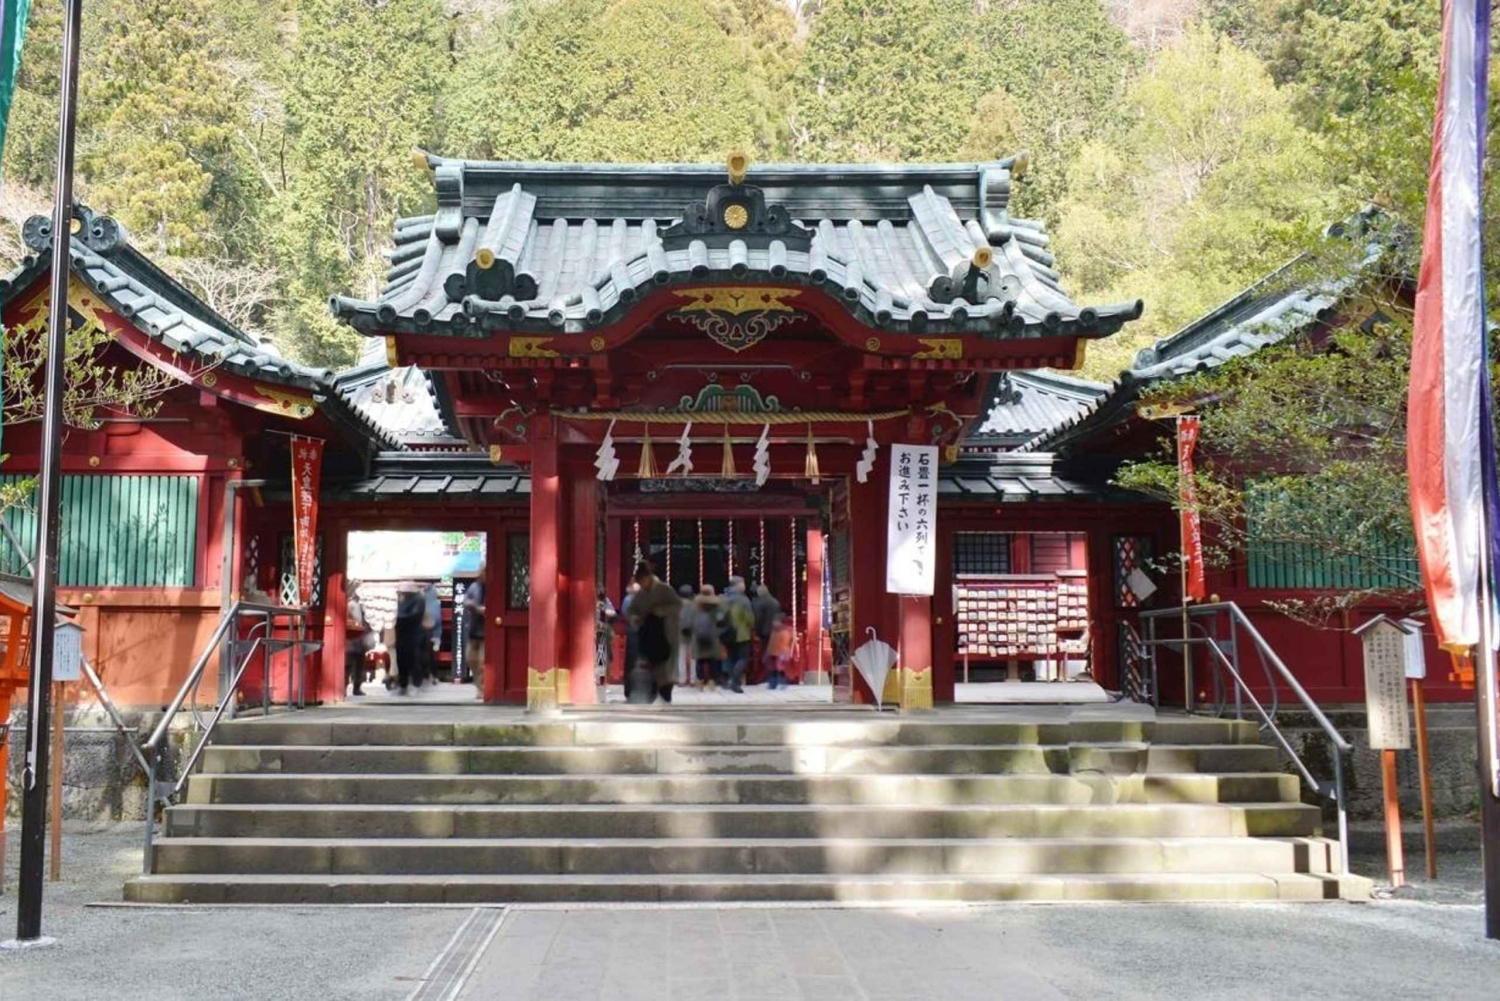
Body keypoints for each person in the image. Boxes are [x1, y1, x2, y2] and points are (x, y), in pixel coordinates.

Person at [625, 561, 683, 703]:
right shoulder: (641, 594)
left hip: (666, 633)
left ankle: (665, 697)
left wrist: (660, 611)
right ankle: (650, 695)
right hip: (647, 634)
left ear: (648, 578)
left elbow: (677, 605)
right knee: (650, 666)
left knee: (666, 668)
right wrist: (635, 618)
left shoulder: (664, 589)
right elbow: (631, 610)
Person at [720, 576, 755, 694]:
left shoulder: (723, 598)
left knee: (730, 657)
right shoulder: (743, 600)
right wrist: (750, 626)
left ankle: (728, 679)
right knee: (743, 658)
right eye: (743, 583)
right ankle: (735, 681)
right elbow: (749, 618)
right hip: (741, 633)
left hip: (726, 632)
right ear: (738, 585)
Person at [393, 581, 428, 695]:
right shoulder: (404, 600)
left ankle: (415, 684)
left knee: (413, 659)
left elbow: (415, 615)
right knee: (401, 660)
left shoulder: (419, 599)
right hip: (403, 634)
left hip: (414, 634)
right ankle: (403, 684)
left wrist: (399, 618)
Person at [689, 584, 723, 690]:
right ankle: (712, 682)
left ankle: (699, 682)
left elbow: (691, 619)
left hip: (698, 635)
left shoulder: (695, 604)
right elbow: (721, 619)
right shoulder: (718, 604)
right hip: (712, 635)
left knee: (700, 660)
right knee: (712, 660)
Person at [344, 580, 374, 696]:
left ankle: (356, 686)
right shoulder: (351, 605)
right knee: (349, 665)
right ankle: (348, 686)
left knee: (358, 664)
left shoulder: (359, 605)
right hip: (352, 638)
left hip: (359, 638)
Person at [751, 583, 782, 684]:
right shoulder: (775, 602)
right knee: (773, 653)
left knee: (764, 654)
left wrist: (755, 630)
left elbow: (758, 618)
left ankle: (765, 675)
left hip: (764, 631)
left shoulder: (760, 603)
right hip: (775, 630)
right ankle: (774, 675)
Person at [464, 566, 486, 694]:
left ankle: (483, 688)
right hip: (473, 628)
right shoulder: (474, 587)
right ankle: (478, 685)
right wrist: (473, 605)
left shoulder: (495, 586)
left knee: (483, 662)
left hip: (487, 631)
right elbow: (466, 600)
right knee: (471, 659)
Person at [766, 612, 795, 690]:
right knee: (772, 668)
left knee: (780, 668)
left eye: (776, 621)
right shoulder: (773, 631)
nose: (774, 623)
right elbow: (771, 642)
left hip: (782, 651)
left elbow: (787, 642)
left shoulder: (787, 630)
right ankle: (772, 683)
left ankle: (782, 683)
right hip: (773, 651)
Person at [676, 583, 696, 686]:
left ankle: (682, 679)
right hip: (693, 632)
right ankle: (693, 679)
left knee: (681, 656)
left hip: (679, 633)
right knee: (693, 657)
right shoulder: (695, 605)